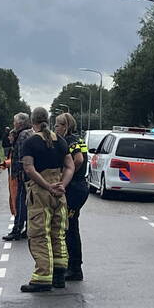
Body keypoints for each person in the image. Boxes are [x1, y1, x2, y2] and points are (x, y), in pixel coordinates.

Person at [20, 107, 74, 293]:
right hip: (60, 194)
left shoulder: (30, 143)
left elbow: (29, 169)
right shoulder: (60, 141)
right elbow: (70, 166)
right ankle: (59, 275)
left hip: (40, 193)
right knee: (58, 233)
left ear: (32, 122)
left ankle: (42, 278)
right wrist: (62, 185)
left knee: (39, 235)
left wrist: (47, 186)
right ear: (48, 120)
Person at [55, 113, 89, 281]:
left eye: (57, 126)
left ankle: (75, 268)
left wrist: (65, 177)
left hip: (75, 187)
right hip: (80, 186)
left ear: (65, 127)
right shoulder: (78, 139)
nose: (55, 129)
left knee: (70, 227)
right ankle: (73, 265)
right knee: (70, 226)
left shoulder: (69, 141)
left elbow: (79, 159)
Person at [3, 112, 33, 241]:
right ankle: (27, 228)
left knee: (20, 202)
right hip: (27, 173)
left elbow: (22, 156)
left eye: (14, 122)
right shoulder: (29, 133)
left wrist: (20, 172)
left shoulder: (22, 136)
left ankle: (17, 229)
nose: (13, 124)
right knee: (27, 202)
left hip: (22, 174)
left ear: (20, 123)